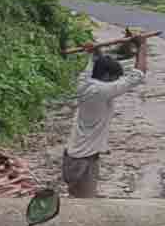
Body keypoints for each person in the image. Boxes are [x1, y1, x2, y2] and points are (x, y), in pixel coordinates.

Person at [62, 36, 148, 198]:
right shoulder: (100, 91)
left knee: (76, 199)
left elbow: (95, 62)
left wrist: (95, 51)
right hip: (83, 161)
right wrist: (142, 46)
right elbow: (137, 76)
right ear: (107, 77)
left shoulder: (85, 81)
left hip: (73, 157)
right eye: (115, 79)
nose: (115, 83)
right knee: (84, 207)